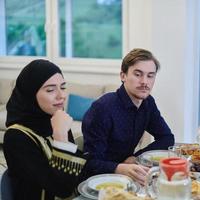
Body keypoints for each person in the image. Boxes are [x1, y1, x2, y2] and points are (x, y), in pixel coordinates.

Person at [82, 48, 174, 185]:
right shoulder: (102, 108)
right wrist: (120, 167)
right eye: (138, 74)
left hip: (129, 177)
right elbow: (90, 164)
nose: (145, 82)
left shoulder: (148, 102)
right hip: (100, 182)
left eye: (150, 76)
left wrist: (136, 158)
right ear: (123, 76)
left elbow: (167, 137)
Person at [3, 59, 86, 200]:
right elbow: (63, 189)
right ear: (31, 94)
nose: (61, 96)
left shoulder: (55, 120)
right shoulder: (16, 137)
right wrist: (61, 137)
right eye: (50, 90)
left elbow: (77, 172)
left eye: (63, 87)